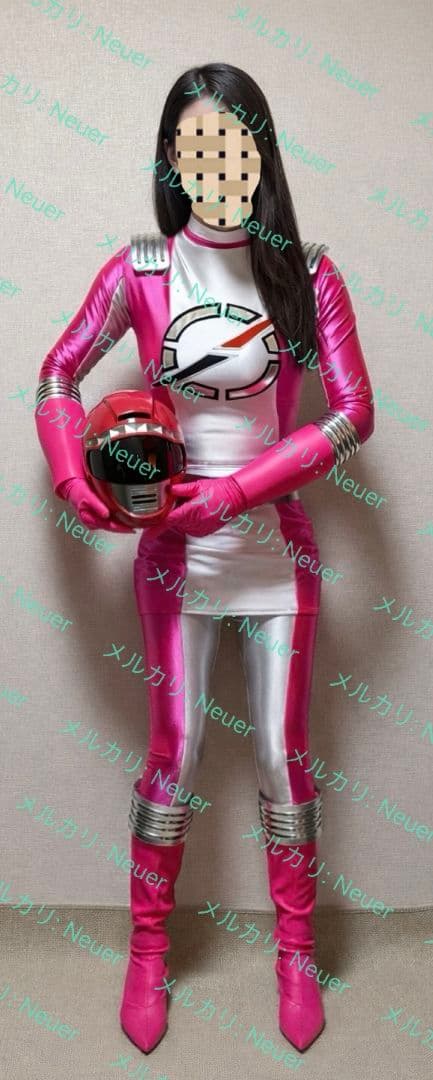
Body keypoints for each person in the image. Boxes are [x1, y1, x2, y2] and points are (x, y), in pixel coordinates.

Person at [35, 62, 374, 1056]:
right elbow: (57, 372)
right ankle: (148, 953)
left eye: (233, 141)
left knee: (278, 754)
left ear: (260, 153)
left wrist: (237, 492)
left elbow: (353, 414)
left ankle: (296, 953)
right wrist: (73, 477)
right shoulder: (141, 268)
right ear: (171, 158)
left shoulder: (307, 272)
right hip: (172, 561)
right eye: (195, 143)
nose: (215, 161)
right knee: (172, 757)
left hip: (276, 558)